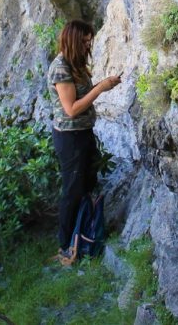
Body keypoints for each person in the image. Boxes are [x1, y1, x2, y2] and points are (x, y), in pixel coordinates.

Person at [46, 19, 121, 262]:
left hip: (82, 134)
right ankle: (65, 245)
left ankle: (84, 234)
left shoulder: (74, 64)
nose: (88, 45)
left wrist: (101, 86)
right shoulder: (61, 68)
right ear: (74, 41)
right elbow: (72, 109)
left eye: (90, 40)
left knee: (86, 185)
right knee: (73, 190)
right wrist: (100, 88)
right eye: (85, 41)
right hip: (70, 138)